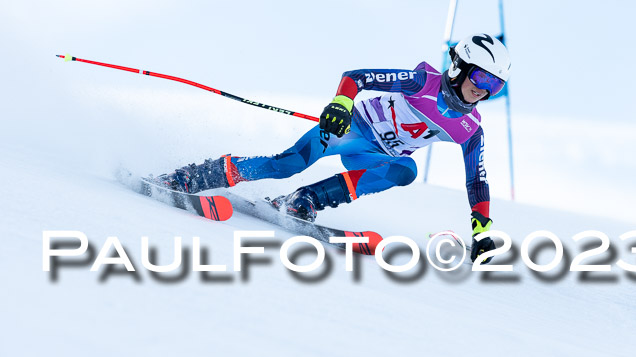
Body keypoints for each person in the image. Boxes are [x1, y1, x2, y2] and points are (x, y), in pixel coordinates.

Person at [153, 33, 511, 262]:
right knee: (287, 164)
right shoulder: (423, 82)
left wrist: (481, 229)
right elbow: (358, 77)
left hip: (378, 155)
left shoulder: (470, 128)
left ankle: (304, 200)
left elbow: (476, 181)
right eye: (480, 76)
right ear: (458, 67)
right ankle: (192, 176)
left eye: (494, 84)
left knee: (406, 170)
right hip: (350, 129)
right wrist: (341, 104)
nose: (484, 89)